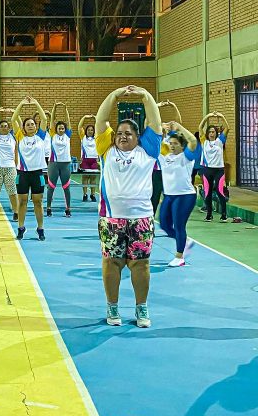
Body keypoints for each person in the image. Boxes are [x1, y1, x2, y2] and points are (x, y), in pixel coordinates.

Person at [94, 86, 163, 328]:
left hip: (141, 219)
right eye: (119, 133)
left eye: (128, 133)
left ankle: (141, 308)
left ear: (138, 137)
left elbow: (155, 122)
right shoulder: (106, 150)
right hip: (112, 219)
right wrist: (114, 95)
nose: (123, 136)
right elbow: (100, 119)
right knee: (112, 263)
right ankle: (112, 307)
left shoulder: (148, 151)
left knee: (140, 264)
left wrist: (146, 96)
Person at [158, 122, 201, 268]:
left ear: (182, 146)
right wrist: (160, 127)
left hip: (185, 196)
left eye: (176, 143)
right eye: (171, 143)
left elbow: (193, 141)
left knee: (179, 225)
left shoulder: (186, 157)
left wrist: (179, 127)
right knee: (164, 224)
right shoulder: (164, 157)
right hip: (169, 196)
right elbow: (153, 139)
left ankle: (180, 256)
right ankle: (185, 241)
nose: (172, 145)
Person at [11, 96, 48, 241]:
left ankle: (40, 228)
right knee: (23, 201)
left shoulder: (40, 136)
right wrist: (21, 104)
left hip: (37, 174)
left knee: (38, 202)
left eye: (33, 124)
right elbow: (14, 119)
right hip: (23, 174)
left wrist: (36, 103)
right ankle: (21, 227)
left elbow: (44, 119)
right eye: (28, 125)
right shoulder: (20, 136)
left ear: (36, 126)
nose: (31, 126)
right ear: (24, 128)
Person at [198, 111, 230, 222]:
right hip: (206, 170)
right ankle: (209, 215)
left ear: (216, 133)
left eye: (213, 132)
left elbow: (227, 127)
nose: (212, 133)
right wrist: (208, 116)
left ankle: (224, 214)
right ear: (207, 133)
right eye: (210, 132)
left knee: (220, 192)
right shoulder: (204, 141)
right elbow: (200, 127)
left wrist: (221, 116)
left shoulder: (220, 141)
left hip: (219, 171)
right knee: (207, 193)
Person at [45, 102, 73, 218]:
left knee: (66, 187)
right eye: (59, 128)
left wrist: (65, 108)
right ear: (55, 129)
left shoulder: (67, 135)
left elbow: (68, 121)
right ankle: (48, 208)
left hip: (65, 164)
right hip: (53, 164)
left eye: (63, 128)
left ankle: (68, 209)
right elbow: (52, 121)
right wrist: (55, 107)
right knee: (51, 187)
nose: (61, 129)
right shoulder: (52, 134)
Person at [77, 115, 99, 202]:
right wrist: (84, 117)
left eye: (92, 130)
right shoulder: (83, 137)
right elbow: (79, 127)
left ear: (94, 131)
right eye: (88, 130)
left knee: (93, 178)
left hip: (94, 160)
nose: (90, 131)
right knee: (85, 178)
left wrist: (96, 119)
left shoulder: (97, 137)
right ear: (86, 131)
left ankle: (93, 195)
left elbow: (99, 126)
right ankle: (85, 194)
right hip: (85, 160)